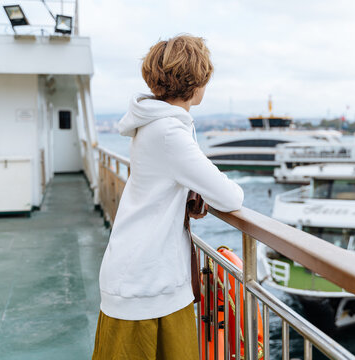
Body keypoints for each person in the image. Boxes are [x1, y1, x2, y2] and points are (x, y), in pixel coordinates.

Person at [92, 35, 244, 360]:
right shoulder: (169, 132)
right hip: (145, 284)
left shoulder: (154, 125)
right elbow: (230, 197)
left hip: (145, 279)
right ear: (197, 81)